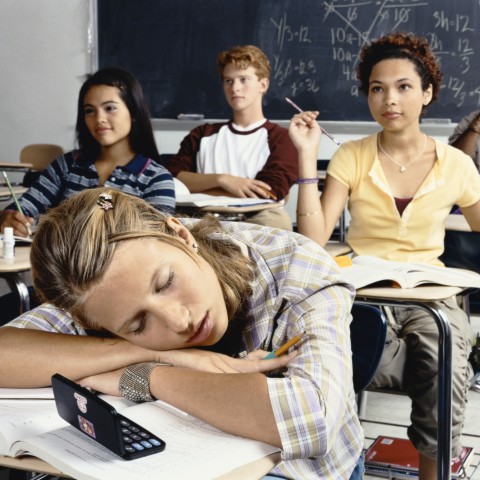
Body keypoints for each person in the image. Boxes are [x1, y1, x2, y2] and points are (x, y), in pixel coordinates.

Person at [0, 188, 364, 479]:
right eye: (138, 325)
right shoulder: (99, 293)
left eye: (166, 283)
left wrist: (148, 376)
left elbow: (313, 418)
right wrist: (150, 353)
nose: (178, 321)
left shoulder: (296, 265)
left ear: (181, 234)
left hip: (298, 469)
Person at [289, 31, 480, 480]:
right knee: (338, 346)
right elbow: (314, 239)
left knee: (443, 350)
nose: (389, 99)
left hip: (428, 289)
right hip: (360, 285)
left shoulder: (456, 163)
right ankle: (340, 462)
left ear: (428, 92)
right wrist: (306, 157)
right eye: (377, 88)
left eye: (403, 87)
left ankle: (435, 474)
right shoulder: (352, 155)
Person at [0, 67, 175, 237]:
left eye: (110, 108)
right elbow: (25, 207)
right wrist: (11, 218)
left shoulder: (157, 179)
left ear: (134, 112)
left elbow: (158, 242)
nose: (99, 119)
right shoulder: (66, 165)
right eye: (89, 110)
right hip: (60, 265)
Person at [164, 45, 298, 231]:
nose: (235, 88)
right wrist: (223, 180)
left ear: (263, 85)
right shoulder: (202, 134)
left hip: (253, 222)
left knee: (277, 222)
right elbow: (172, 177)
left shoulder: (282, 138)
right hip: (203, 220)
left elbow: (269, 192)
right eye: (228, 80)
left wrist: (198, 187)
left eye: (244, 79)